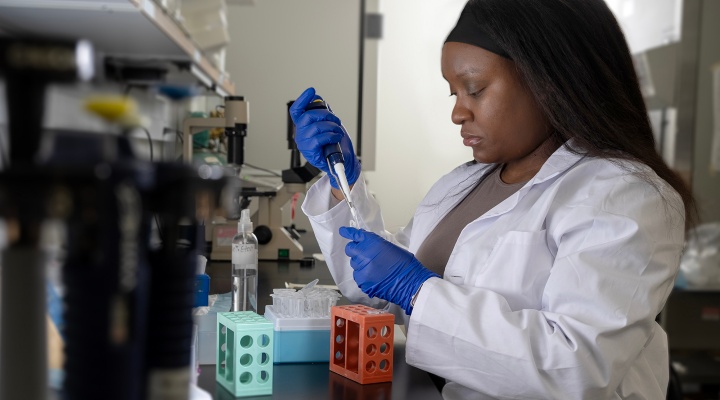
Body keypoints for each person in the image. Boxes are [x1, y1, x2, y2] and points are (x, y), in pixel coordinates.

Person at [289, 0, 695, 398]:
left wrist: (416, 290)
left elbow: (577, 368)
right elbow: (377, 290)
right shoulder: (465, 182)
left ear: (551, 80)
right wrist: (340, 177)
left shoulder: (624, 195)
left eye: (475, 89)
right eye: (454, 94)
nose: (458, 113)